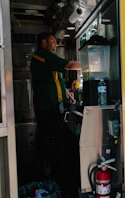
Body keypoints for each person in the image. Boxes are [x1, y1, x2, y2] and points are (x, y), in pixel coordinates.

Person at [30, 32, 81, 197]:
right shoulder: (42, 55)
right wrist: (91, 63)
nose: (56, 44)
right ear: (44, 42)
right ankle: (49, 177)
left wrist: (67, 92)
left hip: (53, 106)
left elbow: (57, 79)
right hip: (47, 107)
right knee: (49, 140)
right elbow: (70, 65)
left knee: (53, 139)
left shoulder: (47, 58)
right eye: (53, 41)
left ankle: (54, 174)